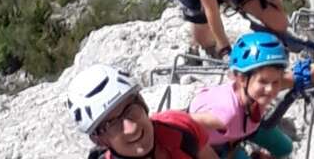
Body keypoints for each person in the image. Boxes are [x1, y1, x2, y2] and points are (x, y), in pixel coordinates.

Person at [188, 31, 314, 159]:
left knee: (285, 148)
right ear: (241, 78)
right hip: (219, 145)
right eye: (263, 82)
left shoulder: (255, 90)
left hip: (245, 124)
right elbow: (188, 126)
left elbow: (296, 77)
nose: (270, 89)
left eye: (275, 82)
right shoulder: (225, 114)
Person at [66, 64, 219, 159]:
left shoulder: (180, 126)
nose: (131, 128)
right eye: (111, 124)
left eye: (129, 110)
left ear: (143, 103)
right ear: (99, 140)